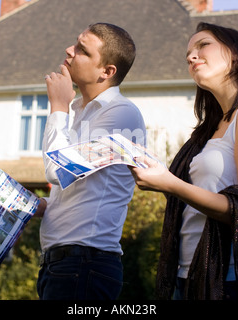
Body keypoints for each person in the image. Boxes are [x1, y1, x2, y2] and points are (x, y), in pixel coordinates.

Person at [129, 22, 238, 300]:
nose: (191, 56)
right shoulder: (209, 129)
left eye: (203, 45)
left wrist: (171, 184)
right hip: (185, 275)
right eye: (188, 53)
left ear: (235, 53)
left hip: (228, 281)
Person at [36, 22, 146, 300]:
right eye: (75, 44)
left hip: (85, 265)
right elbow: (81, 189)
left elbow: (55, 169)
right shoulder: (83, 112)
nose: (69, 51)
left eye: (82, 50)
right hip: (64, 265)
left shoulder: (121, 115)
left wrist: (58, 106)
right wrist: (44, 206)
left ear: (107, 72)